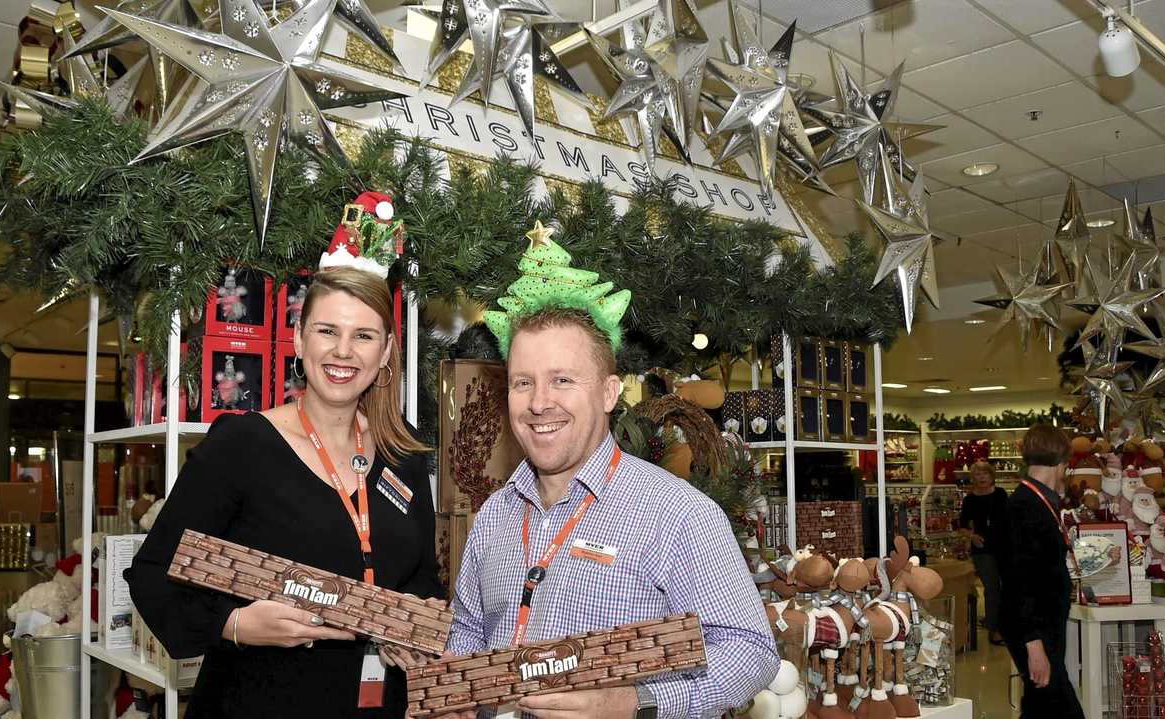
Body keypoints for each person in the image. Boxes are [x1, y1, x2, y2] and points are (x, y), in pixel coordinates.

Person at [127, 197, 442, 717]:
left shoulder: (401, 451)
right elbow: (153, 573)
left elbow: (420, 574)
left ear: (386, 352)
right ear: (298, 339)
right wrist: (236, 625)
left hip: (380, 703)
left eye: (363, 336)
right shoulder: (241, 447)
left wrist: (417, 619)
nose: (343, 352)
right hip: (258, 700)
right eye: (327, 331)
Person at [445, 303, 779, 718]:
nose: (539, 403)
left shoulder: (677, 513)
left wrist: (636, 704)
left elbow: (751, 651)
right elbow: (468, 631)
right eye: (522, 383)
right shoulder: (497, 512)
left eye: (562, 380)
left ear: (608, 393)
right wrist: (456, 695)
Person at [999, 424, 1084, 718]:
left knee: (1041, 705)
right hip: (1034, 629)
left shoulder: (1036, 501)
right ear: (1062, 463)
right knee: (1058, 705)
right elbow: (1017, 581)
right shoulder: (1025, 506)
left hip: (1042, 625)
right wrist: (1034, 645)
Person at [958, 461, 1007, 645]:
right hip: (982, 549)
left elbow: (1011, 519)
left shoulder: (1001, 494)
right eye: (978, 474)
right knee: (992, 588)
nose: (982, 477)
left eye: (985, 473)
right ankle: (994, 631)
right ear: (973, 478)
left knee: (1006, 587)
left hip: (1004, 547)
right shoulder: (970, 499)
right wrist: (972, 536)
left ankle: (1004, 626)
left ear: (991, 476)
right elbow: (962, 526)